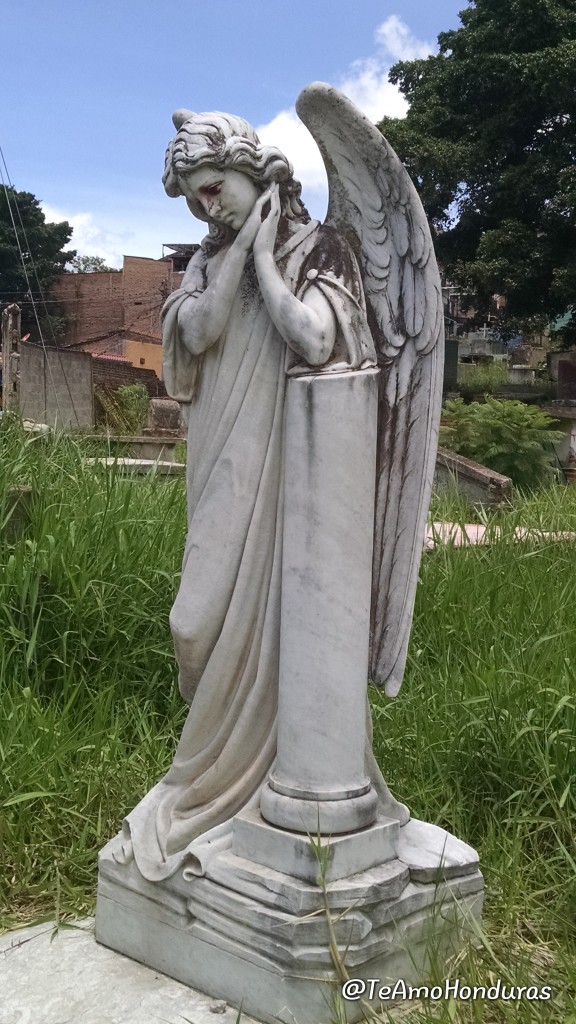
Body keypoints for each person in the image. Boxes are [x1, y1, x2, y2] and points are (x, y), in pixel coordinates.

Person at [123, 110, 398, 883]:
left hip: (292, 473)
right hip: (221, 459)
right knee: (193, 623)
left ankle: (278, 776)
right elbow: (202, 332)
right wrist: (243, 245)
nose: (208, 208)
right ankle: (209, 775)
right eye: (195, 201)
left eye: (213, 190)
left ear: (251, 168)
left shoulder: (327, 250)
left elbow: (314, 340)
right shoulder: (208, 262)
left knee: (249, 621)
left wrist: (271, 263)